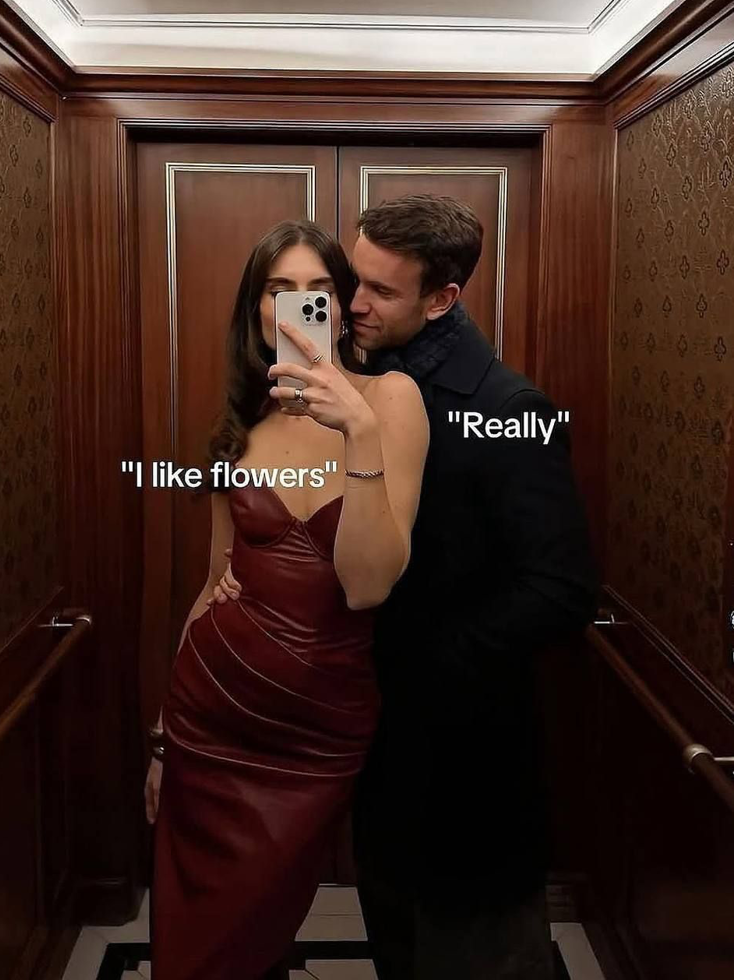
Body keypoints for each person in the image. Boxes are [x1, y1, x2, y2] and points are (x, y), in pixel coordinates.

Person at [212, 195, 599, 979]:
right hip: (377, 751)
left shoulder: (507, 408)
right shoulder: (357, 383)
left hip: (469, 767)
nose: (353, 303)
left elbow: (562, 588)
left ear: (441, 298)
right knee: (397, 945)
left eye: (381, 291)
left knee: (480, 956)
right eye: (353, 280)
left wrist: (420, 654)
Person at [143, 218, 429, 980]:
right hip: (211, 719)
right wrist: (164, 741)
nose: (301, 306)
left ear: (342, 307)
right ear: (258, 310)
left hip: (315, 735)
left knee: (253, 923)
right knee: (199, 946)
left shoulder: (391, 399)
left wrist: (358, 432)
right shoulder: (241, 426)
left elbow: (368, 584)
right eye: (280, 290)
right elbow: (211, 585)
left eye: (319, 290)